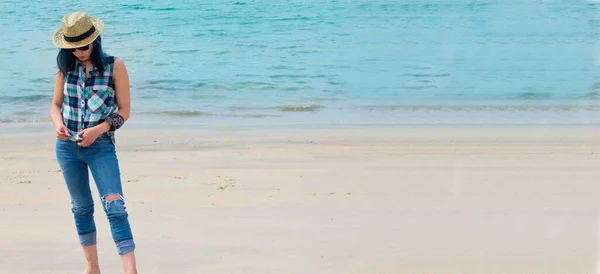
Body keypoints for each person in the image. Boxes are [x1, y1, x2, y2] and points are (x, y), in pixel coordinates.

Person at [50, 11, 137, 274]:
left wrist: (98, 130)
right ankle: (93, 267)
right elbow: (55, 105)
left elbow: (124, 112)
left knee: (116, 208)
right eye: (73, 47)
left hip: (100, 147)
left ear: (95, 40)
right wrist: (58, 124)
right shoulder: (66, 68)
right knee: (82, 208)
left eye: (83, 46)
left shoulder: (114, 66)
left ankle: (130, 271)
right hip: (67, 148)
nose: (79, 52)